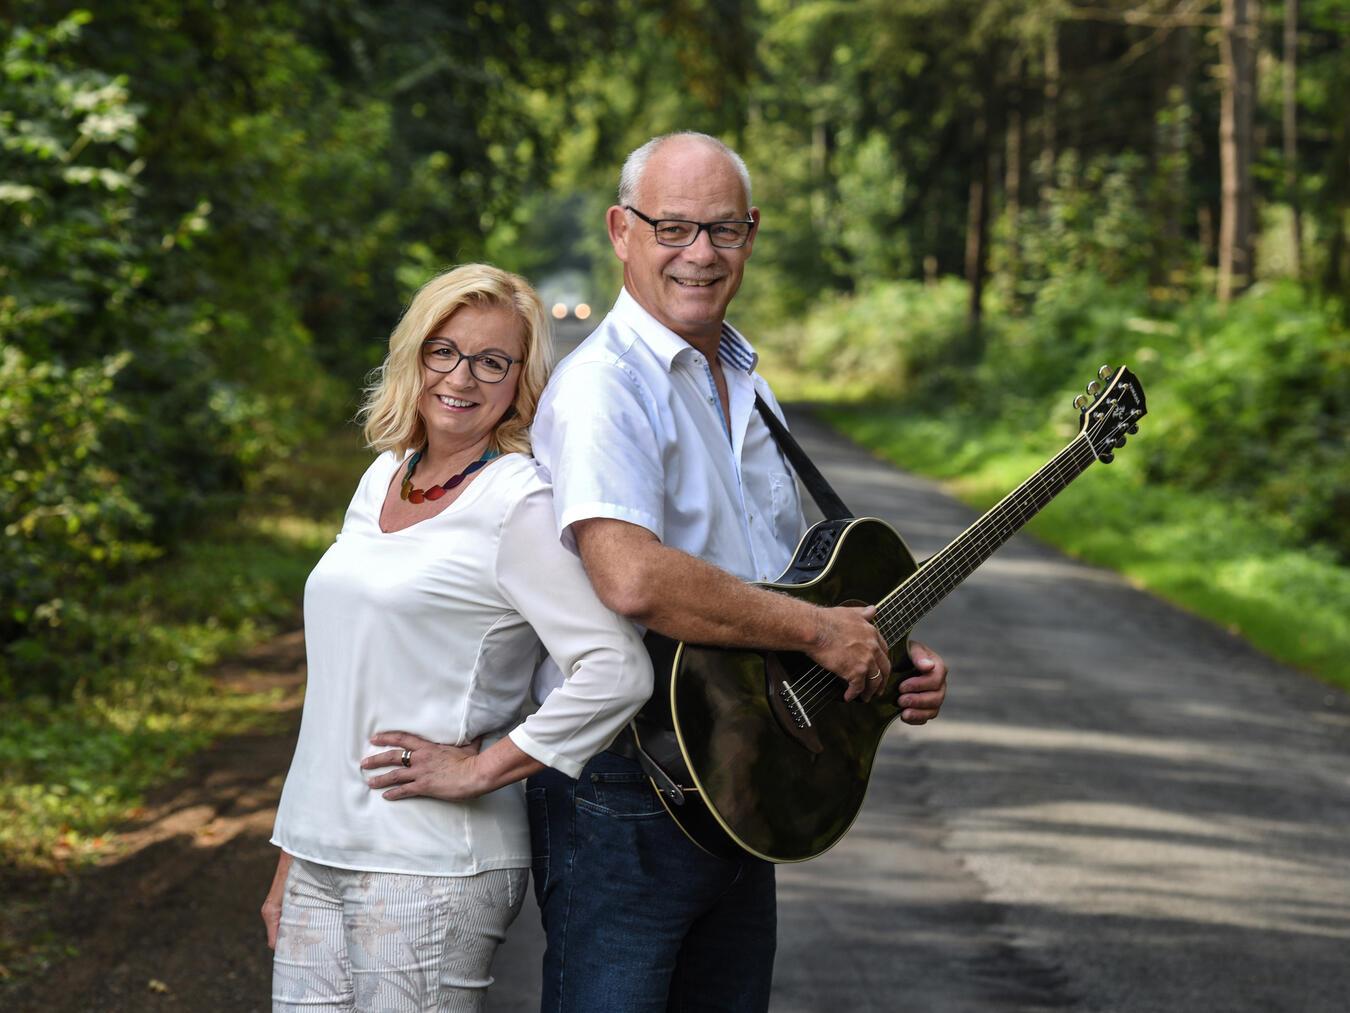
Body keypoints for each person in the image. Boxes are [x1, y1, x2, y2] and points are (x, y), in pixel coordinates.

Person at [523, 132, 951, 1011]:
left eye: (722, 230)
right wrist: (821, 631)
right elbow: (632, 576)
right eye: (672, 227)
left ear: (751, 234)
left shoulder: (750, 383)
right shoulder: (607, 385)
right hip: (627, 784)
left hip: (738, 778)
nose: (700, 254)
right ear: (620, 231)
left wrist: (882, 647)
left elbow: (783, 584)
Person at [260, 263, 652, 1013]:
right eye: (444, 350)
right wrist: (291, 853)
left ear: (519, 382)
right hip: (321, 851)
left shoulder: (519, 500)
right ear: (415, 354)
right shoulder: (382, 478)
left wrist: (479, 771)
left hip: (432, 863)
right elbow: (340, 689)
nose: (461, 377)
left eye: (491, 361)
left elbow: (615, 669)